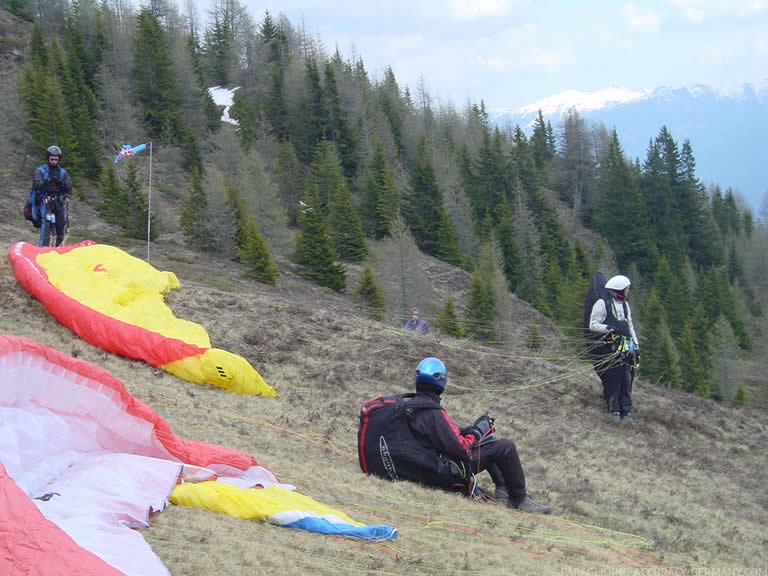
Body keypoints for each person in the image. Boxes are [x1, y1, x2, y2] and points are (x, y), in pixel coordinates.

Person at [407, 357, 552, 514]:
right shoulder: (434, 413)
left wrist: (473, 430)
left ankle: (504, 490)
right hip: (444, 470)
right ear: (442, 381)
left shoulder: (413, 406)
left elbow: (443, 434)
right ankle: (520, 499)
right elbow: (461, 449)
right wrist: (477, 432)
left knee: (488, 441)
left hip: (428, 463)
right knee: (505, 447)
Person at [588, 275, 640, 423]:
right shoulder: (602, 304)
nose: (628, 291)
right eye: (627, 289)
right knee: (614, 379)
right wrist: (608, 328)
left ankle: (627, 411)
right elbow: (593, 324)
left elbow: (630, 326)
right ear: (620, 289)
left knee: (627, 379)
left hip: (626, 347)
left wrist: (635, 346)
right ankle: (615, 410)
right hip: (609, 348)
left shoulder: (625, 305)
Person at [31, 145, 73, 246]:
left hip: (58, 202)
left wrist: (61, 183)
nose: (54, 161)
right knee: (46, 226)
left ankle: (59, 249)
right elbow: (36, 184)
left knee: (61, 226)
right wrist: (47, 182)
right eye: (52, 159)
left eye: (56, 159)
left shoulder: (62, 173)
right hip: (45, 202)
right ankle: (43, 250)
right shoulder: (40, 171)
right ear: (48, 158)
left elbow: (69, 187)